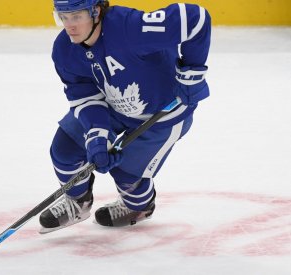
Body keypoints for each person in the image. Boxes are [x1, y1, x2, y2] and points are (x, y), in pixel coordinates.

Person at [39, 0, 211, 233]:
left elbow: (195, 18)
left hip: (163, 114)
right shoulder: (64, 49)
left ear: (96, 11)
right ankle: (77, 202)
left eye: (77, 16)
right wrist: (97, 134)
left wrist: (192, 72)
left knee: (127, 176)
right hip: (113, 106)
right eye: (63, 17)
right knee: (65, 149)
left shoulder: (130, 28)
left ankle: (138, 207)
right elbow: (84, 95)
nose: (70, 26)